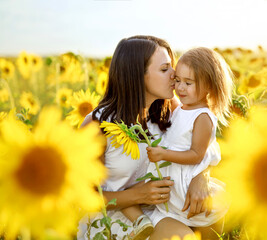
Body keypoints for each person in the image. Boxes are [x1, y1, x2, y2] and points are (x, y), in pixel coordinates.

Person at [77, 36, 213, 240]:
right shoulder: (97, 125)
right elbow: (82, 198)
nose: (174, 75)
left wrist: (200, 177)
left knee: (213, 219)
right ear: (137, 75)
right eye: (165, 69)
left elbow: (203, 145)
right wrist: (137, 195)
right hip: (108, 219)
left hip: (159, 210)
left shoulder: (171, 108)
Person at [145, 47, 233, 239]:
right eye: (178, 80)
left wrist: (163, 154)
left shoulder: (202, 117)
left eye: (188, 83)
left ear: (209, 86)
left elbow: (196, 155)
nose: (180, 88)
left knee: (204, 222)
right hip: (174, 187)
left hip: (185, 187)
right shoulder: (181, 108)